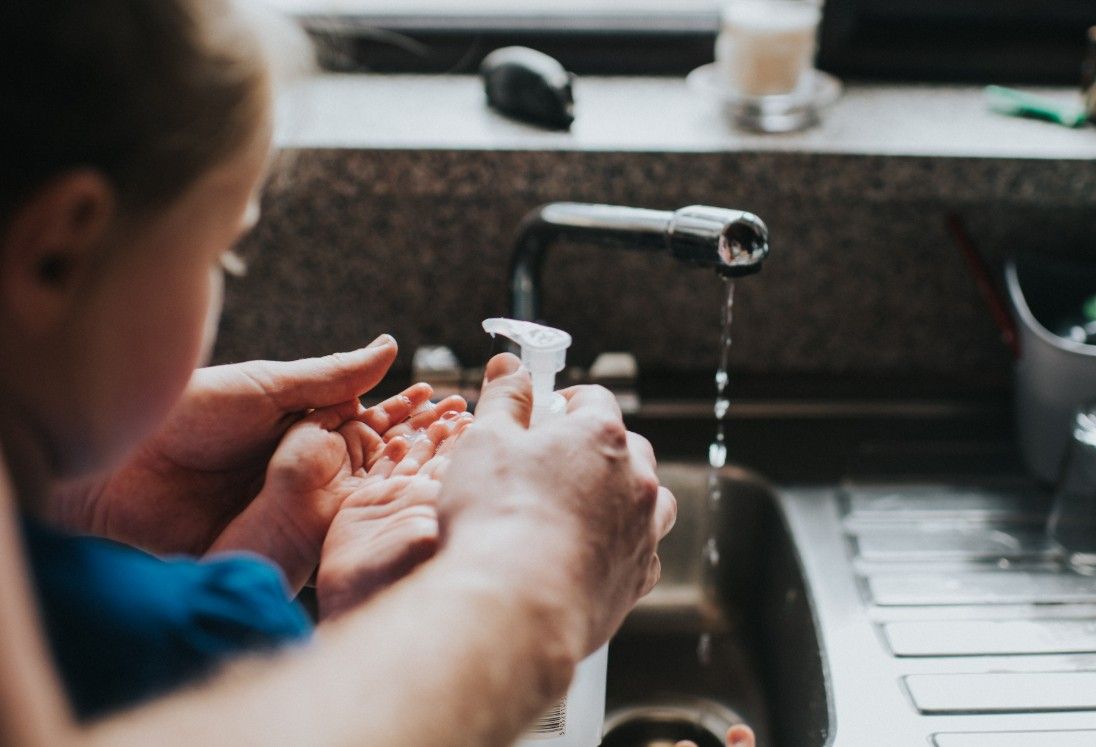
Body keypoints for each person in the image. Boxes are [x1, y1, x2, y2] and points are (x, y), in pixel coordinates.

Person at [0, 1, 679, 744]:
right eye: (218, 252)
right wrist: (535, 574)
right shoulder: (161, 639)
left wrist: (110, 486)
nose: (219, 282)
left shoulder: (133, 629)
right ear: (56, 254)